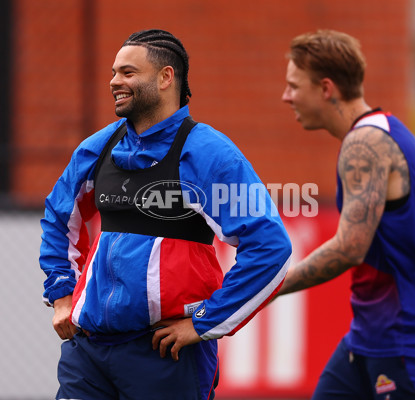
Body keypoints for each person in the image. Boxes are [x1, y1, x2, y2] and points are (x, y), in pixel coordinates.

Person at [39, 29, 292, 400]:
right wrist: (62, 294)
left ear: (165, 78)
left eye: (128, 73)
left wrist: (205, 322)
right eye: (113, 72)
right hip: (88, 352)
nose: (114, 82)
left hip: (165, 353)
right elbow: (59, 217)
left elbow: (271, 248)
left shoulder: (209, 152)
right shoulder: (99, 147)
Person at [277, 29, 415, 399]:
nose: (286, 96)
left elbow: (349, 248)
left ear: (325, 88)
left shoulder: (365, 144)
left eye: (294, 85)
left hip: (401, 341)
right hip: (369, 338)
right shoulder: (383, 133)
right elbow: (414, 246)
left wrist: (268, 284)